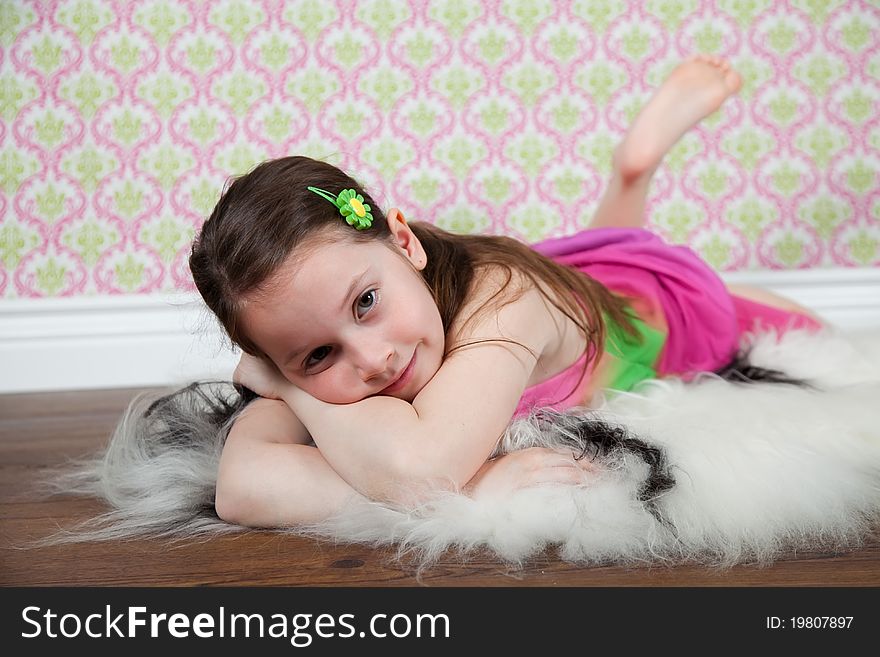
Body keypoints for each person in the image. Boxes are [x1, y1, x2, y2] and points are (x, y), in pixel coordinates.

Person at [52, 56, 822, 540]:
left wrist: (299, 389)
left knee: (719, 308)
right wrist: (472, 480)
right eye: (316, 355)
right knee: (569, 287)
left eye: (365, 303)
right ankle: (624, 190)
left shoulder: (501, 303)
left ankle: (634, 172)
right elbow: (244, 488)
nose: (374, 359)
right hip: (528, 296)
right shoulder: (329, 332)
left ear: (404, 241)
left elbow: (420, 468)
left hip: (654, 311)